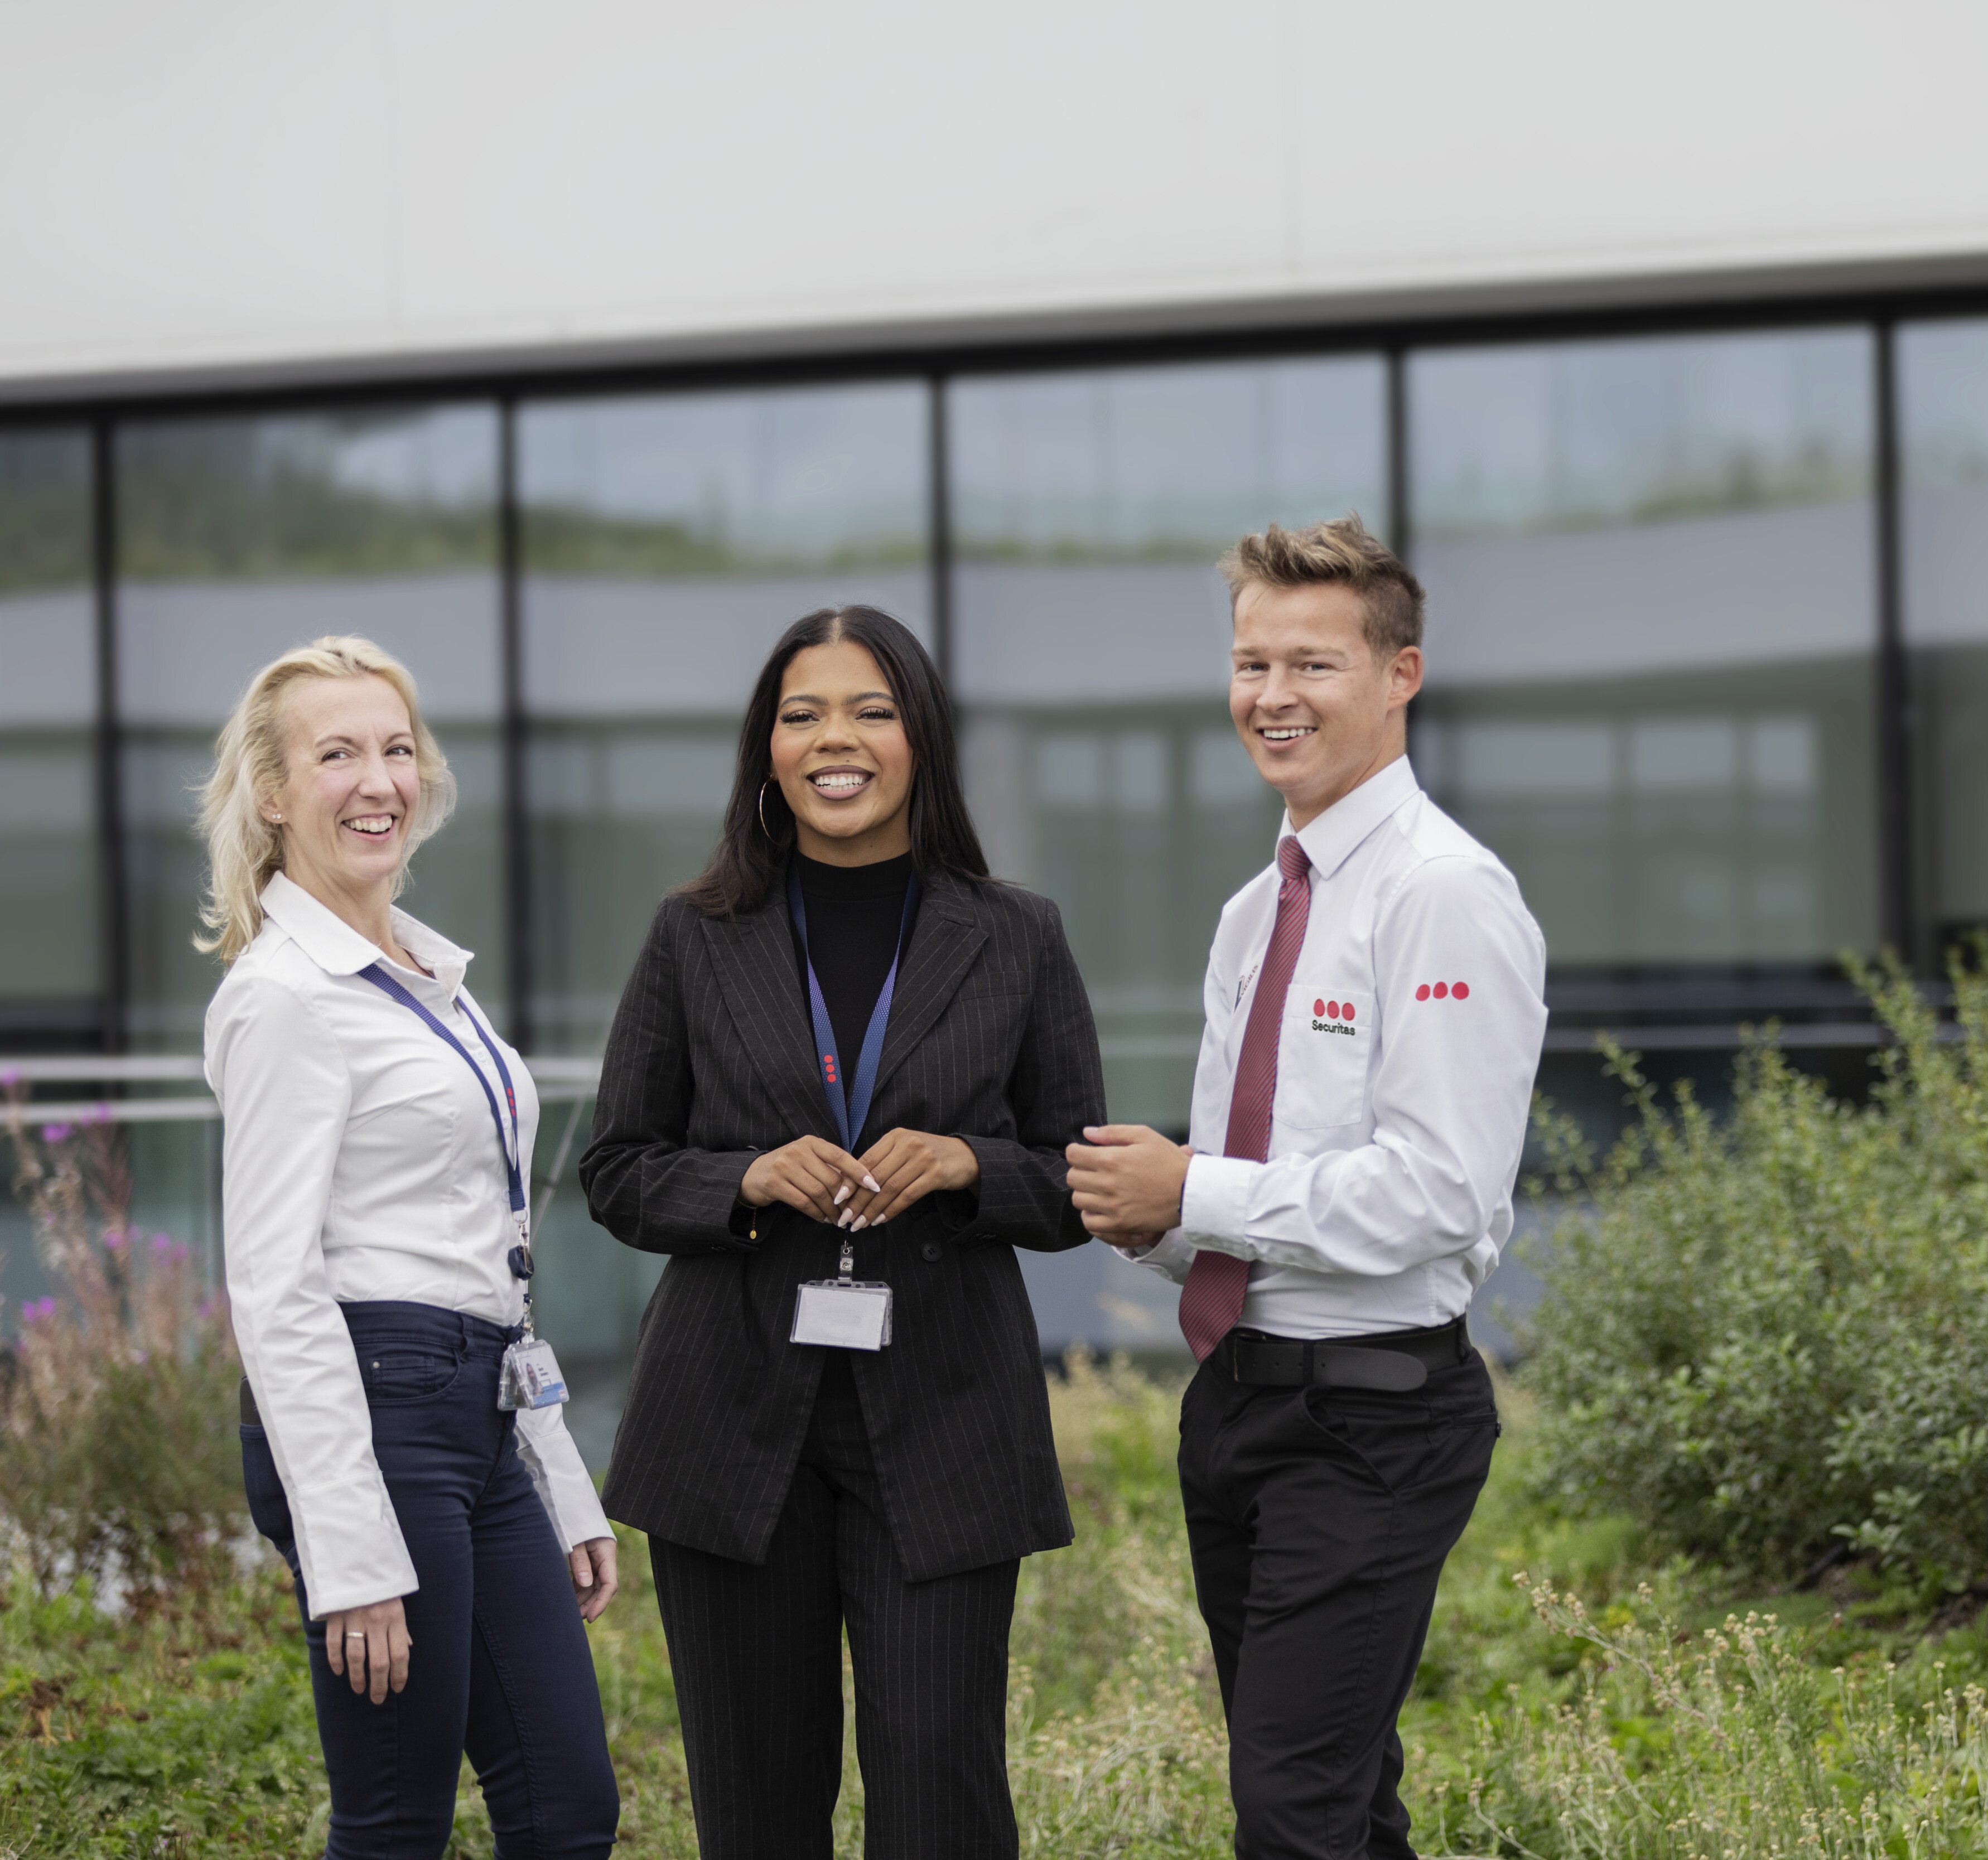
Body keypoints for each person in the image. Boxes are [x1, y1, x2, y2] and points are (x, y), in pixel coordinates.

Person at [580, 604, 1102, 1859]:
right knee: (755, 1813)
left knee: (940, 1802)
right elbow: (617, 1169)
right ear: (767, 749)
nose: (836, 739)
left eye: (872, 710)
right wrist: (745, 1179)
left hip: (947, 1421)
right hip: (727, 1422)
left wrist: (970, 1164)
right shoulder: (695, 933)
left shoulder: (1016, 933)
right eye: (802, 714)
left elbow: (1078, 1181)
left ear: (921, 738)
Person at [1068, 516, 1548, 1860]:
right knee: (1332, 1801)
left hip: (1372, 1415)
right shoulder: (1255, 910)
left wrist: (1193, 1190)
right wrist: (1145, 1211)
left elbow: (1438, 1195)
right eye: (1251, 664)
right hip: (1239, 1403)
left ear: (1400, 675)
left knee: (1292, 1811)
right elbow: (1240, 1188)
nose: (1272, 697)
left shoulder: (1442, 894)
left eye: (1312, 665)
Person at [202, 636, 621, 1860]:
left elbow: (485, 1252)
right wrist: (349, 1552)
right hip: (375, 1420)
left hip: (478, 1412)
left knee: (568, 1813)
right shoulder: (286, 995)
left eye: (396, 749)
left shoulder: (428, 972)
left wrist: (558, 1474)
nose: (378, 780)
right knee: (396, 1826)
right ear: (272, 794)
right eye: (336, 754)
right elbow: (274, 1286)